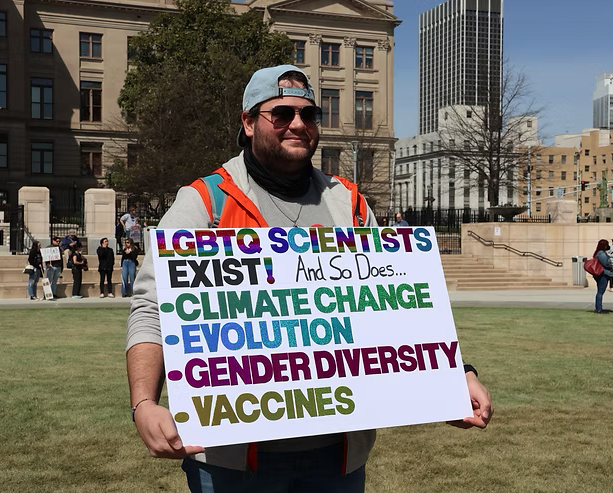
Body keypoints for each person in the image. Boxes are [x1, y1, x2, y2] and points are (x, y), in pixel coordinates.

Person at [126, 65, 493, 493]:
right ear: (248, 122)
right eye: (281, 113)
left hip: (337, 460)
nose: (298, 124)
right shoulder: (205, 202)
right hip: (232, 463)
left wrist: (454, 377)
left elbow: (400, 308)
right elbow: (153, 310)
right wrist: (144, 404)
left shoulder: (350, 204)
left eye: (309, 114)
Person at [592, 239, 613, 314]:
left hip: (601, 274)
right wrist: (611, 266)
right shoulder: (601, 253)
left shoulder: (598, 253)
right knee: (600, 292)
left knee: (600, 291)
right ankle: (599, 309)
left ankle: (598, 307)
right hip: (603, 274)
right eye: (606, 245)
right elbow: (606, 263)